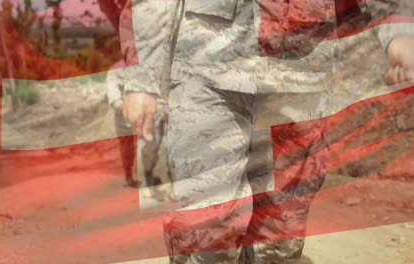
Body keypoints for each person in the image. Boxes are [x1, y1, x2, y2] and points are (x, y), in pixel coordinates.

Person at [120, 0, 414, 263]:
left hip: (301, 74)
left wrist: (400, 30)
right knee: (208, 226)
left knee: (280, 233)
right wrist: (142, 77)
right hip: (208, 72)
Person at [106, 62, 170, 197]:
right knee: (126, 147)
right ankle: (128, 175)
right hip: (123, 117)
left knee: (148, 146)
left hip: (146, 115)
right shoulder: (115, 70)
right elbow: (113, 96)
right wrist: (128, 108)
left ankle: (147, 179)